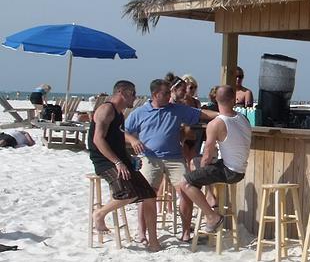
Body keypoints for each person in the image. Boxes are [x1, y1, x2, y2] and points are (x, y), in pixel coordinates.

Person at [125, 79, 219, 243]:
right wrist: (133, 140)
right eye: (166, 93)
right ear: (155, 94)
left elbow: (200, 114)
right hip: (150, 157)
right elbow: (123, 131)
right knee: (146, 194)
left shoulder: (177, 109)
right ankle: (142, 232)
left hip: (174, 158)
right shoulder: (140, 112)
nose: (170, 95)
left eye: (170, 92)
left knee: (186, 190)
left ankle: (185, 232)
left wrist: (223, 115)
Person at [87, 81, 158, 251]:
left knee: (149, 195)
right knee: (128, 193)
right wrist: (118, 162)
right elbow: (98, 140)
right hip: (104, 161)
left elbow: (117, 141)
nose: (135, 97)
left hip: (120, 160)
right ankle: (100, 214)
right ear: (122, 92)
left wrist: (129, 158)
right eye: (133, 93)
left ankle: (154, 241)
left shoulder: (119, 113)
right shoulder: (106, 110)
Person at [179, 85, 252, 233]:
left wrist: (201, 172)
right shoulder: (243, 118)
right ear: (234, 99)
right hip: (239, 169)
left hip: (229, 171)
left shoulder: (216, 124)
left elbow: (207, 154)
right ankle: (209, 198)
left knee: (185, 183)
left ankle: (212, 216)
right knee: (195, 163)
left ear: (215, 99)